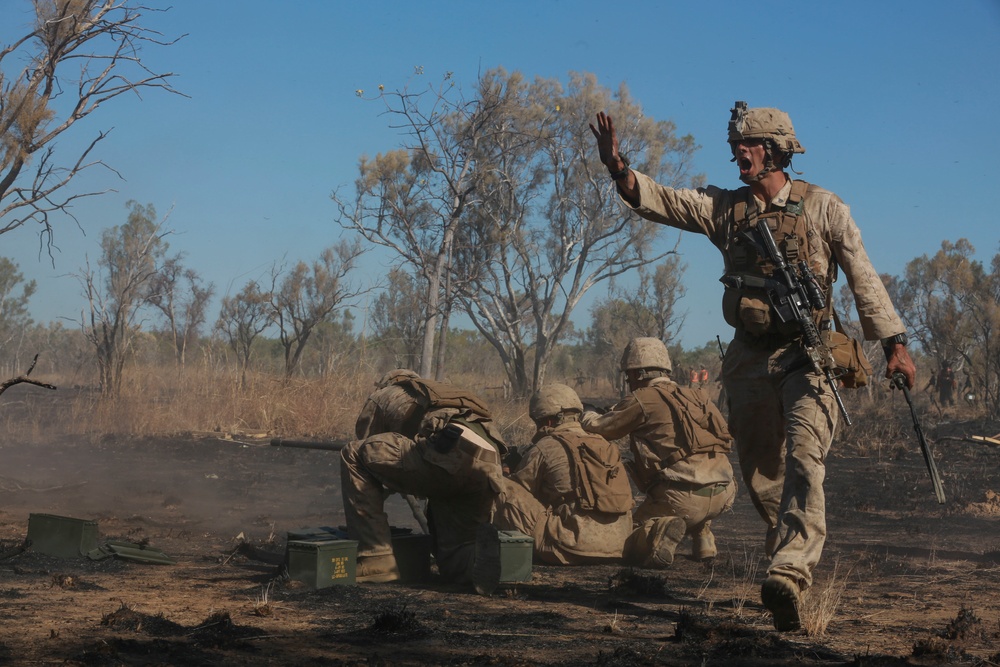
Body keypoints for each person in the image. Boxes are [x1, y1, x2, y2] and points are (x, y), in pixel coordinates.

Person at [590, 103, 916, 631]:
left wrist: (895, 344)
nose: (738, 152)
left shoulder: (825, 208)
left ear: (778, 151)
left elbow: (863, 276)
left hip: (809, 354)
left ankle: (790, 571)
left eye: (751, 144)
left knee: (807, 456)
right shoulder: (726, 210)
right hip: (749, 358)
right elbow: (661, 201)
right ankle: (781, 547)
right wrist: (617, 167)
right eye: (736, 145)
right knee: (763, 471)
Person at [340, 370, 507, 589]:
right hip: (489, 467)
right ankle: (473, 563)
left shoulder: (384, 395)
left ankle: (375, 560)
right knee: (455, 551)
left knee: (353, 454)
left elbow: (369, 458)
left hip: (447, 454)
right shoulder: (447, 395)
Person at [581, 337, 736, 568]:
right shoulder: (698, 396)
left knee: (623, 540)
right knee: (695, 465)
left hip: (682, 498)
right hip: (725, 491)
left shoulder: (642, 399)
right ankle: (704, 539)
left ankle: (656, 535)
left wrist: (588, 414)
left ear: (637, 374)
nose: (628, 382)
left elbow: (602, 428)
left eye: (628, 376)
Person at [494, 383, 634, 565]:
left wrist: (505, 472)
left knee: (501, 485)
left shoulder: (545, 447)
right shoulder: (604, 444)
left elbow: (522, 494)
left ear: (549, 422)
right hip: (620, 544)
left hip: (571, 544)